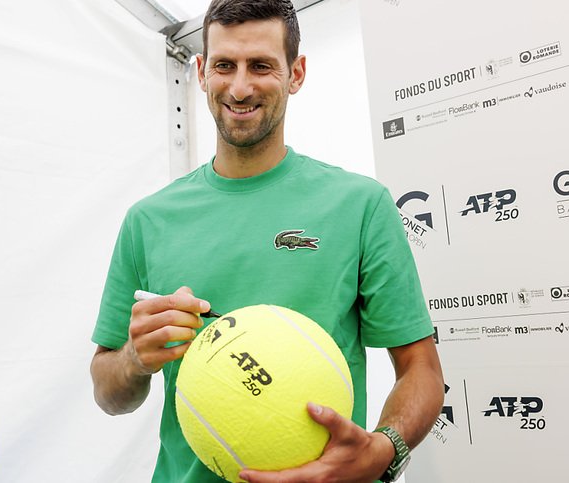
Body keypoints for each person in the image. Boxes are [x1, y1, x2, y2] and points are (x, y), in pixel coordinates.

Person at [90, 0, 444, 482]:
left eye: (261, 66)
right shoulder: (148, 220)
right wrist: (133, 359)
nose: (239, 87)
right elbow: (109, 392)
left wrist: (384, 450)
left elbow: (420, 369)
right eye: (224, 65)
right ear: (199, 71)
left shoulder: (360, 205)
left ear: (296, 73)